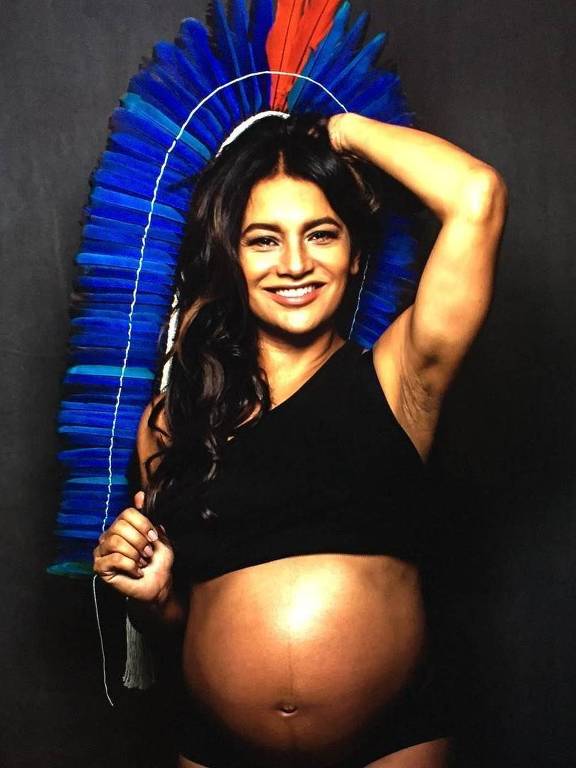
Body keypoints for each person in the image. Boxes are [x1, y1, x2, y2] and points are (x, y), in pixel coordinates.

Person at [93, 112, 507, 767]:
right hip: (217, 745)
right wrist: (155, 597)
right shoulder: (170, 423)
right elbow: (187, 617)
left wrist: (333, 135)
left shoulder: (401, 379)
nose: (295, 264)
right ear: (230, 254)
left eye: (321, 234)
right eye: (264, 240)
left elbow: (476, 196)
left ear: (354, 252)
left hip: (394, 739)